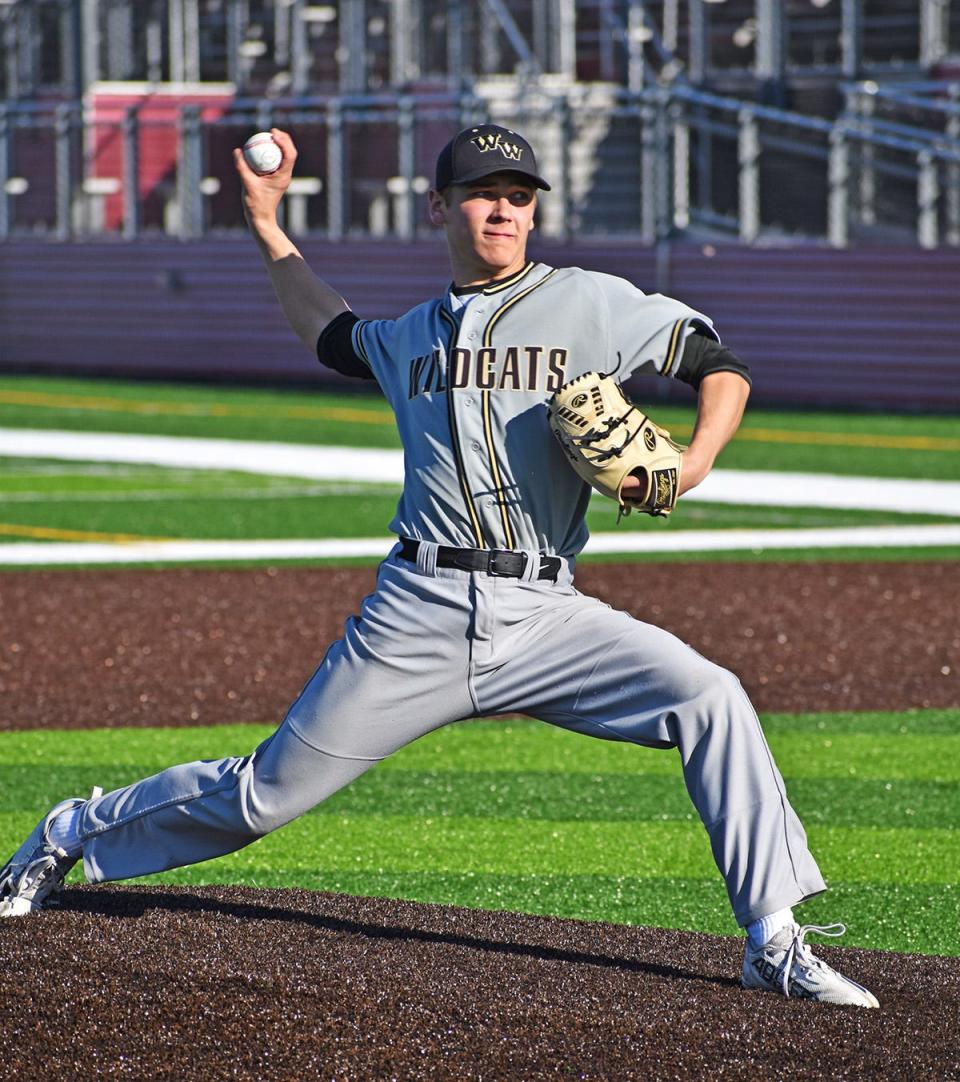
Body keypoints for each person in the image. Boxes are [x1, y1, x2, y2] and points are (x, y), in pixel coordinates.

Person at [1, 124, 877, 1008]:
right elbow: (331, 332)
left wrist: (692, 463)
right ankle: (71, 831)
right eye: (483, 192)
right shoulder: (412, 336)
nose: (504, 208)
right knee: (265, 796)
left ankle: (773, 937)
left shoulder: (593, 302)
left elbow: (719, 366)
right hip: (416, 609)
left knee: (710, 696)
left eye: (521, 194)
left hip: (547, 613)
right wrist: (268, 225)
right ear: (440, 206)